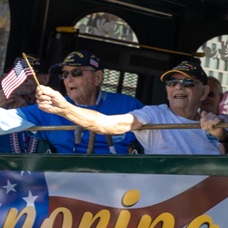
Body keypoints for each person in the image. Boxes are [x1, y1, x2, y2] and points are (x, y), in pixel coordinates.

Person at [35, 60, 228, 155]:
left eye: (188, 83)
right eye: (172, 83)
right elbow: (106, 124)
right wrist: (64, 109)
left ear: (204, 92)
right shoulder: (154, 114)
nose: (178, 87)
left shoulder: (223, 122)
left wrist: (222, 136)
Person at [0, 50, 142, 154]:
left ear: (98, 77)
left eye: (76, 73)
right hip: (67, 185)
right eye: (65, 74)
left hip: (118, 183)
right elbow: (6, 120)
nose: (68, 79)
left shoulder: (129, 105)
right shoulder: (49, 107)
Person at [0, 54, 48, 153]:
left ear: (45, 79)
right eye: (18, 73)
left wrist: (26, 109)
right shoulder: (3, 102)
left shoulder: (52, 105)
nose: (23, 78)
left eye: (30, 74)